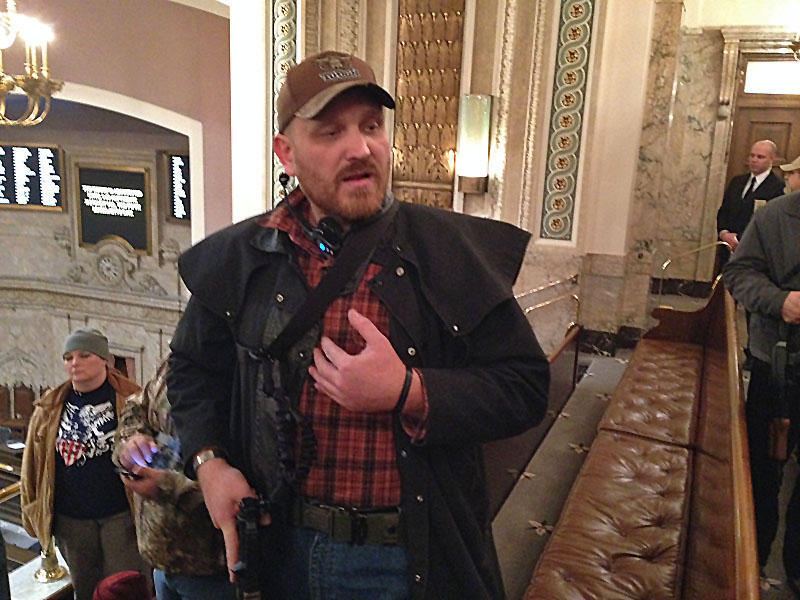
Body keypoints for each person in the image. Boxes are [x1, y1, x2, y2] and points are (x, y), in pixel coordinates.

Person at [166, 50, 549, 599]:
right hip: (281, 554)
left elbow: (525, 387)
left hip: (401, 562)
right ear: (287, 152)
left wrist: (409, 392)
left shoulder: (446, 253)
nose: (361, 147)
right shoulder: (242, 259)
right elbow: (192, 369)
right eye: (330, 132)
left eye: (371, 126)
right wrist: (208, 463)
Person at [20, 329, 146, 600]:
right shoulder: (49, 406)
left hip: (120, 513)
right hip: (72, 518)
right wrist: (32, 509)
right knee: (85, 588)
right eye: (68, 357)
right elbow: (33, 464)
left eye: (83, 355)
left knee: (123, 588)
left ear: (105, 360)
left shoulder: (131, 398)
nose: (74, 362)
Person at [722, 159, 800, 596]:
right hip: (779, 369)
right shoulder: (774, 216)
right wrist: (779, 300)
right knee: (765, 474)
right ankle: (751, 562)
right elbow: (738, 274)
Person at [113, 359, 235, 600]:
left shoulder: (238, 375)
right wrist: (132, 441)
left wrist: (166, 486)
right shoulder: (179, 360)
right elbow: (137, 406)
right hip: (162, 557)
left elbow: (240, 487)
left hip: (210, 569)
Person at [717, 139, 784, 267]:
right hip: (726, 248)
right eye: (752, 155)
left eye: (760, 157)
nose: (754, 160)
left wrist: (739, 239)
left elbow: (771, 222)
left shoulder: (777, 187)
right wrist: (724, 233)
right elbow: (724, 210)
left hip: (754, 252)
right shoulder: (737, 182)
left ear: (772, 159)